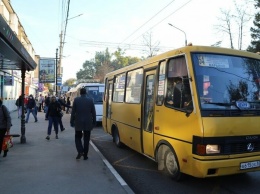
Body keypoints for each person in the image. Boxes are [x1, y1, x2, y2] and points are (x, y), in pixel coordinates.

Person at [70, 88, 96, 160]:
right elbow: (93, 112)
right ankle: (85, 156)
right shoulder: (90, 100)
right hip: (88, 122)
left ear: (80, 93)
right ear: (86, 93)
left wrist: (71, 121)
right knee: (86, 139)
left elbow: (73, 112)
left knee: (77, 138)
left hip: (78, 122)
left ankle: (80, 151)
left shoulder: (76, 100)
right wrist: (94, 122)